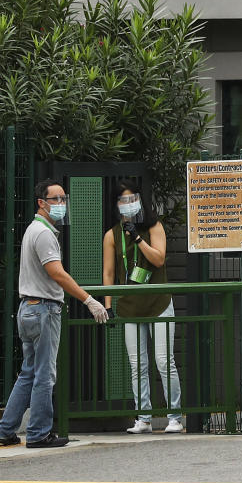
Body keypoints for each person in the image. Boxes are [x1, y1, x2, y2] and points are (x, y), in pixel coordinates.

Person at [0, 179, 109, 448]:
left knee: (29, 372)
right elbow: (56, 272)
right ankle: (38, 433)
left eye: (63, 199)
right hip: (44, 309)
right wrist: (88, 299)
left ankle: (6, 429)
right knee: (45, 374)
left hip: (28, 308)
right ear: (41, 203)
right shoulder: (44, 233)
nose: (61, 204)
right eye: (55, 199)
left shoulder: (33, 229)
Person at [102, 180, 183, 434]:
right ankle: (144, 417)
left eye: (131, 199)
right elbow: (108, 272)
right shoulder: (111, 235)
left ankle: (174, 416)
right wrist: (107, 305)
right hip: (129, 307)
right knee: (138, 364)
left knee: (163, 360)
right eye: (122, 200)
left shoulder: (154, 226)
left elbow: (158, 259)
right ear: (115, 205)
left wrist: (137, 238)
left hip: (158, 303)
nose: (128, 205)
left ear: (140, 200)